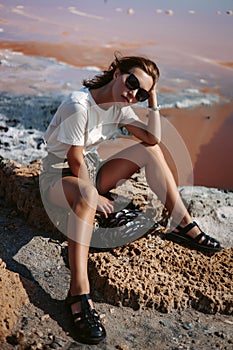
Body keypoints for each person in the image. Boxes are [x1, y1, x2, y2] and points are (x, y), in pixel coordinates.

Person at [39, 53, 222, 345]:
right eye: (131, 82)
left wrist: (153, 101)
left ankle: (182, 224)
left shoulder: (121, 107)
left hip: (92, 169)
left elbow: (151, 139)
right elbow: (74, 159)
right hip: (58, 177)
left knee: (151, 152)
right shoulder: (79, 104)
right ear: (116, 72)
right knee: (86, 193)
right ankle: (78, 292)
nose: (132, 93)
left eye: (141, 92)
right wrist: (94, 196)